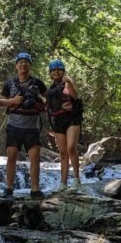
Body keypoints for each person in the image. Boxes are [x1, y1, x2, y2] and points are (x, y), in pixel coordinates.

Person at [0, 52, 47, 197]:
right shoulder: (10, 84)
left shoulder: (37, 83)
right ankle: (9, 188)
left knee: (35, 158)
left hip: (32, 128)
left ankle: (35, 189)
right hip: (14, 127)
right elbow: (0, 102)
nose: (23, 64)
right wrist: (12, 101)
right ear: (16, 66)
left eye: (26, 62)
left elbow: (49, 98)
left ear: (30, 65)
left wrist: (41, 102)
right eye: (20, 62)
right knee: (11, 157)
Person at [45, 59, 83, 193]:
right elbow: (49, 108)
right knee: (62, 153)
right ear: (51, 73)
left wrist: (70, 82)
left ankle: (77, 180)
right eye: (53, 70)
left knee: (71, 147)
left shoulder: (67, 83)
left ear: (63, 71)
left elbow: (75, 96)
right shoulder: (50, 90)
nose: (56, 72)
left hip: (72, 119)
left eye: (58, 70)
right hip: (58, 122)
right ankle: (63, 183)